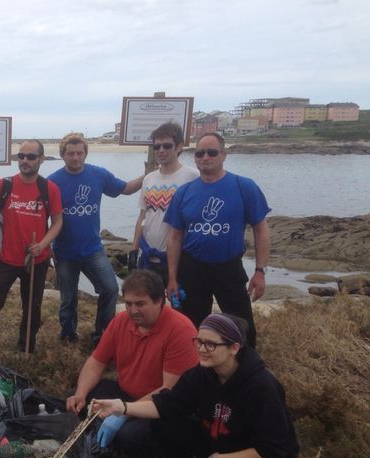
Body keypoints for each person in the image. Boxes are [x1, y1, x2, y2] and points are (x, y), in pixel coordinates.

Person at [92, 313, 299, 458]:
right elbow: (168, 404)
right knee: (165, 420)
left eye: (211, 344)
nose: (201, 349)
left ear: (234, 348)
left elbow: (273, 449)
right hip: (221, 441)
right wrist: (122, 407)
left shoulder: (262, 387)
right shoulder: (203, 373)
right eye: (199, 342)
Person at [66, 270, 198, 455]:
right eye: (128, 303)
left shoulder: (180, 331)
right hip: (126, 394)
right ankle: (99, 429)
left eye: (140, 304)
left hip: (159, 405)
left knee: (128, 435)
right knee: (82, 399)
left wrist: (125, 412)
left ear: (159, 301)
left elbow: (168, 390)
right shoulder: (121, 321)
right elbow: (96, 362)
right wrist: (80, 394)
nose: (133, 310)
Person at [164, 132, 270, 347]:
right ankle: (196, 371)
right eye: (200, 153)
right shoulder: (184, 193)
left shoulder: (244, 186)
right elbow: (175, 238)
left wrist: (260, 271)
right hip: (193, 267)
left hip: (228, 267)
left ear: (223, 155)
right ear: (194, 157)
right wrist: (172, 278)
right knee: (192, 327)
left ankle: (246, 370)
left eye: (212, 152)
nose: (205, 157)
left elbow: (261, 230)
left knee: (242, 327)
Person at [0, 140, 63, 352]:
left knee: (32, 307)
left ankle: (26, 347)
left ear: (41, 159)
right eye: (21, 156)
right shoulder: (5, 185)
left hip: (36, 257)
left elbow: (57, 223)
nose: (24, 161)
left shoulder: (49, 189)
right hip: (5, 257)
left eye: (30, 157)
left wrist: (43, 244)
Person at [48, 133, 144, 345]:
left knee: (110, 288)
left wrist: (148, 176)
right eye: (70, 153)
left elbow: (126, 189)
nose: (75, 157)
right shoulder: (53, 182)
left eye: (79, 153)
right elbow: (42, 216)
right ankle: (68, 335)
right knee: (68, 298)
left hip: (93, 250)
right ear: (63, 155)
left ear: (85, 154)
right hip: (64, 252)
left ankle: (102, 334)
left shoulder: (98, 175)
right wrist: (46, 246)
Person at [132, 122, 198, 284]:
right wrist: (134, 249)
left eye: (167, 146)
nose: (161, 150)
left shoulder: (192, 177)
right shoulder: (149, 178)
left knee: (179, 304)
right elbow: (142, 216)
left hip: (178, 256)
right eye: (157, 146)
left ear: (179, 147)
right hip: (148, 255)